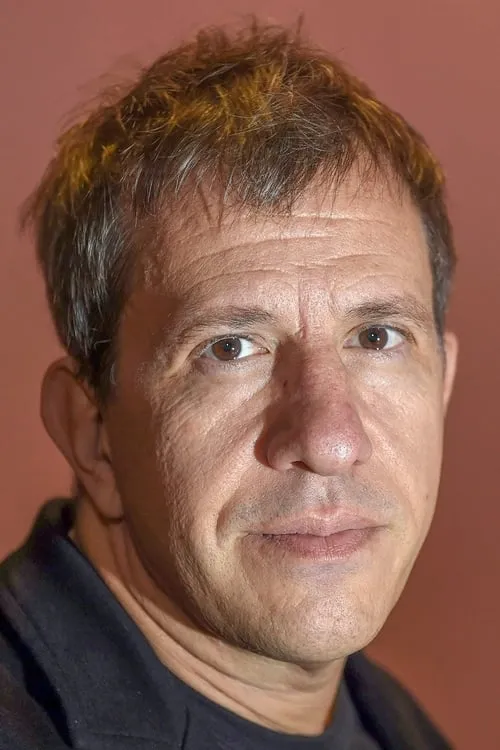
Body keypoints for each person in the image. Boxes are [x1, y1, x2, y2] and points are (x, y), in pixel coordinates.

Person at [0, 20, 458, 750]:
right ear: (91, 433)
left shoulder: (398, 729)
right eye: (230, 348)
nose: (329, 441)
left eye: (377, 337)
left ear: (443, 384)